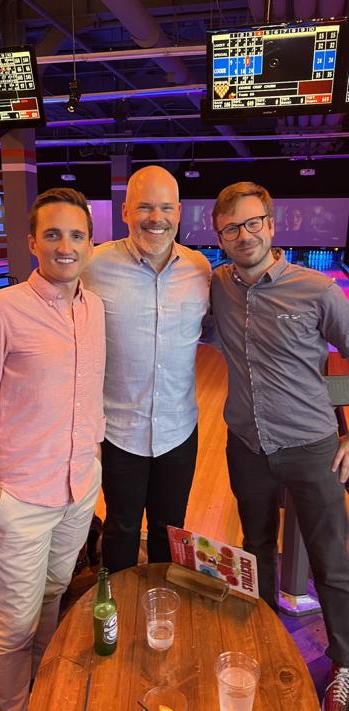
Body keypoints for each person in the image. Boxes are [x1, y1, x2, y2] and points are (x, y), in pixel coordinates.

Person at [0, 187, 106, 711]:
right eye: (53, 234)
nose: (66, 245)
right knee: (15, 625)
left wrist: (94, 454)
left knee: (54, 594)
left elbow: (90, 392)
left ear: (90, 244)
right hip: (20, 496)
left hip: (78, 487)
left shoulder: (94, 309)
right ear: (33, 242)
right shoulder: (0, 309)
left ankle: (43, 688)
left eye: (77, 235)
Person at [208, 180, 349, 711]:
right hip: (247, 446)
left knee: (330, 561)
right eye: (231, 229)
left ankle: (345, 664)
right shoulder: (218, 285)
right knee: (257, 548)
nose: (243, 235)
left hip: (312, 446)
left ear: (270, 225)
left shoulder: (317, 289)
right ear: (220, 237)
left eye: (251, 223)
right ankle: (263, 636)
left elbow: (346, 356)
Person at [83, 165, 211, 572]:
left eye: (166, 208)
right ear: (125, 212)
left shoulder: (200, 269)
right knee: (121, 527)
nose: (156, 218)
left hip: (179, 429)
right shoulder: (93, 266)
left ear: (179, 212)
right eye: (144, 207)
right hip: (120, 430)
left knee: (169, 529)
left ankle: (163, 598)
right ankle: (117, 603)